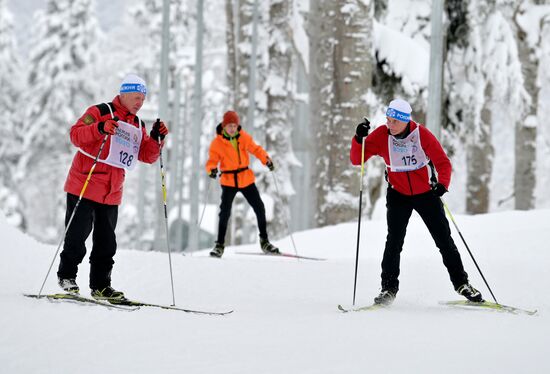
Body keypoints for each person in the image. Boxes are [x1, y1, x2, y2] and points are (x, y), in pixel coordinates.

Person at [349, 98, 483, 305]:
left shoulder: (421, 135)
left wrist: (443, 184)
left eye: (394, 121)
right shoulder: (382, 135)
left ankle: (462, 284)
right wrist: (359, 138)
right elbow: (357, 159)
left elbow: (443, 163)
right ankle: (388, 289)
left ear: (405, 121)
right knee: (394, 242)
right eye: (388, 120)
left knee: (444, 241)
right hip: (398, 194)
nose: (389, 125)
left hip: (426, 194)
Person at [57, 74, 169, 300]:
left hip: (112, 191)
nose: (140, 102)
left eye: (143, 99)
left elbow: (146, 155)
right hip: (85, 184)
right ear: (124, 94)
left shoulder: (137, 124)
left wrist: (156, 139)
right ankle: (67, 276)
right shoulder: (100, 111)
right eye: (136, 97)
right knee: (77, 236)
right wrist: (99, 128)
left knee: (107, 243)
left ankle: (101, 286)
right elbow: (76, 135)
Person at [205, 110, 279, 258]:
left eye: (234, 125)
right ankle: (219, 244)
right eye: (230, 126)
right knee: (224, 212)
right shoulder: (217, 143)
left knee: (259, 207)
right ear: (224, 126)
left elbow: (256, 150)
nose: (232, 128)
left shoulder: (243, 137)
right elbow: (212, 161)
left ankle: (264, 241)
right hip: (229, 180)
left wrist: (266, 160)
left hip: (245, 178)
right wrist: (212, 170)